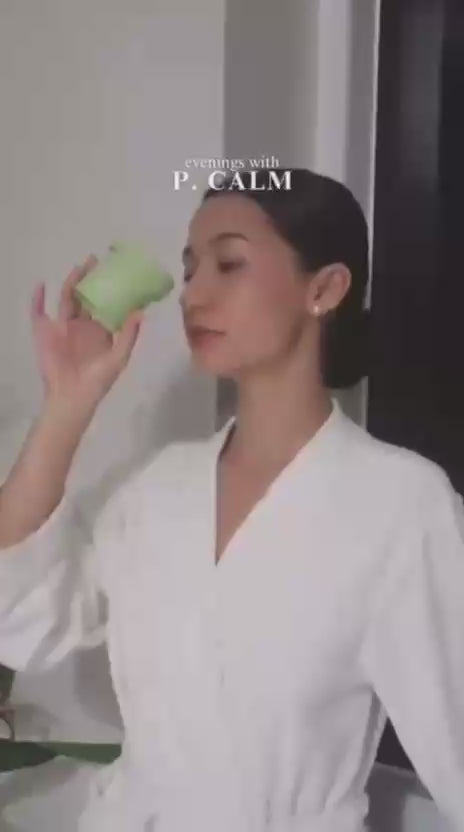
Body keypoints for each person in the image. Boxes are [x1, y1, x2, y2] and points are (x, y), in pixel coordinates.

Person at [0, 168, 463, 832]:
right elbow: (19, 613)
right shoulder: (157, 489)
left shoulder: (402, 505)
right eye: (190, 269)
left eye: (230, 264)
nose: (194, 293)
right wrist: (66, 403)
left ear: (324, 288)